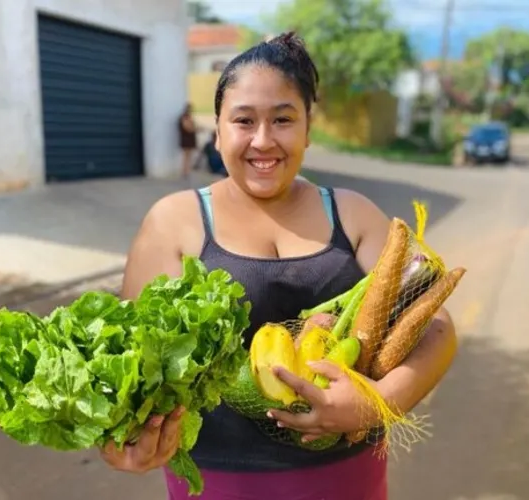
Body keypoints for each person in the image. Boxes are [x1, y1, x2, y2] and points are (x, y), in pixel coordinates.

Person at [104, 32, 458, 500]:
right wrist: (121, 443)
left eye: (283, 120)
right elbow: (129, 365)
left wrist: (377, 404)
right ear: (218, 129)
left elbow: (437, 327)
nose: (263, 141)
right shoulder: (175, 222)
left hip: (345, 473)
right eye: (244, 120)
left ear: (309, 128)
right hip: (220, 478)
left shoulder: (351, 215)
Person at [179, 103, 198, 179]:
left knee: (188, 156)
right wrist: (195, 129)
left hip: (187, 139)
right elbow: (187, 128)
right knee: (186, 156)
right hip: (187, 139)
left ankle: (186, 170)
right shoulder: (185, 117)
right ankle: (185, 171)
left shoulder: (186, 117)